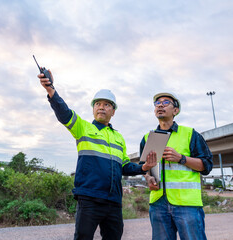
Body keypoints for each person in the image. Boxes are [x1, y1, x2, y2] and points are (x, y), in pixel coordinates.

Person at [37, 70, 156, 240]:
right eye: (98, 104)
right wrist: (51, 90)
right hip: (89, 199)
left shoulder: (119, 137)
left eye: (107, 104)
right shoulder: (83, 128)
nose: (102, 107)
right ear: (93, 108)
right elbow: (64, 112)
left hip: (114, 201)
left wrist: (143, 167)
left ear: (113, 111)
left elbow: (125, 166)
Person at [140, 92, 213, 240]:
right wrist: (148, 178)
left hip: (187, 204)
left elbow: (207, 165)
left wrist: (181, 158)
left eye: (166, 102)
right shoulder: (148, 138)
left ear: (176, 111)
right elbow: (144, 168)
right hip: (158, 203)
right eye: (157, 103)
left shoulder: (190, 134)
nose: (160, 105)